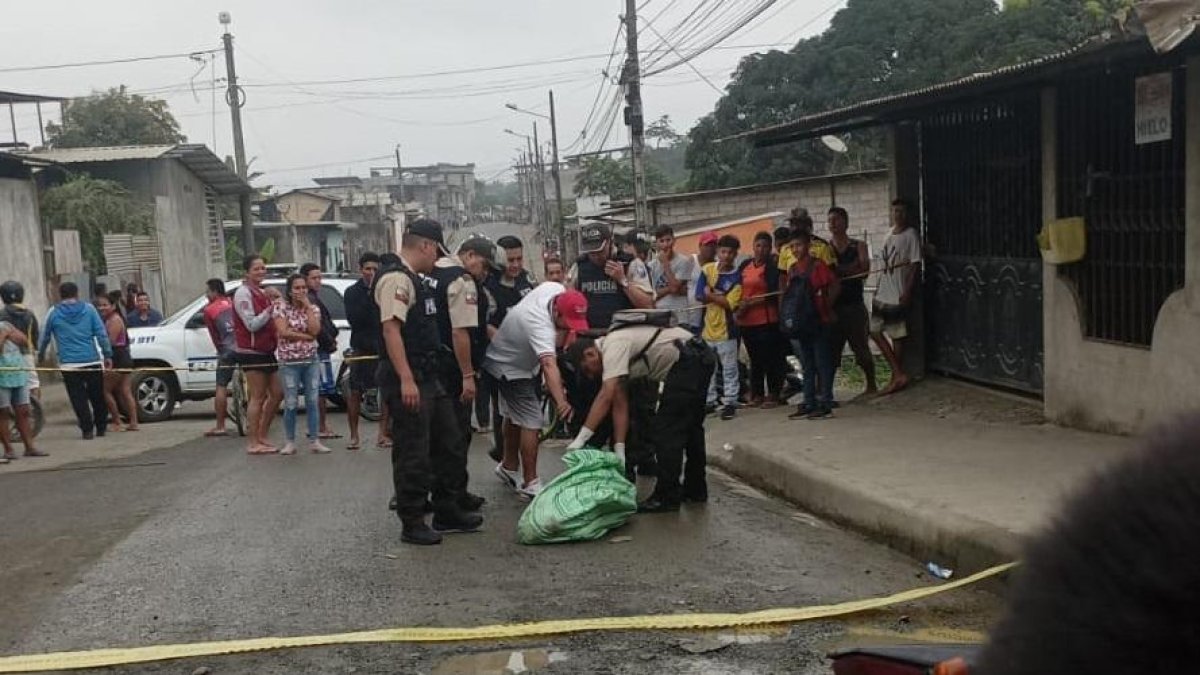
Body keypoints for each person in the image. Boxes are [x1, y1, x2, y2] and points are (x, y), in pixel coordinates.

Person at [375, 219, 481, 545]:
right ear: (426, 245)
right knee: (414, 452)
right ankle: (413, 520)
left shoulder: (413, 278)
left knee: (448, 442)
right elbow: (391, 329)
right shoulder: (396, 278)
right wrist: (406, 379)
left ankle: (448, 508)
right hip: (409, 379)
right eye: (435, 251)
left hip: (429, 375)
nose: (435, 259)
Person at [566, 323, 715, 513]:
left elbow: (605, 396)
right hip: (700, 356)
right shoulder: (613, 352)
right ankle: (695, 490)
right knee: (692, 428)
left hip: (687, 362)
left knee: (667, 432)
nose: (590, 374)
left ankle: (667, 497)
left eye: (587, 369)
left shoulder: (613, 347)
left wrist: (580, 440)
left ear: (590, 354)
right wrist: (620, 448)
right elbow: (619, 405)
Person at [484, 282, 579, 499]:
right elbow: (548, 364)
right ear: (556, 311)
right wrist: (561, 401)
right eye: (565, 322)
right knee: (532, 420)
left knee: (513, 414)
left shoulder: (555, 290)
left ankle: (508, 466)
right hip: (512, 366)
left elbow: (560, 337)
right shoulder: (539, 324)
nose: (566, 328)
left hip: (508, 357)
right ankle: (530, 481)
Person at [429, 236, 497, 513]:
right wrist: (468, 374)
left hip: (435, 364)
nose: (485, 272)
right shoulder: (461, 280)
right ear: (470, 255)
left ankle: (453, 491)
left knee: (443, 435)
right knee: (455, 436)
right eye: (484, 264)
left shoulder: (433, 274)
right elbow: (461, 331)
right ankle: (451, 499)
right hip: (453, 367)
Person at [38, 282, 113, 439]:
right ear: (77, 293)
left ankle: (87, 430)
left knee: (77, 398)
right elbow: (101, 334)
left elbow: (44, 336)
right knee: (97, 395)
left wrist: (40, 356)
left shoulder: (53, 312)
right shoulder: (89, 309)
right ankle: (101, 427)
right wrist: (107, 355)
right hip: (91, 359)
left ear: (60, 295)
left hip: (69, 364)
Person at [781, 232, 840, 420]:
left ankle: (825, 402)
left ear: (808, 246)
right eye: (792, 246)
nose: (795, 249)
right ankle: (809, 401)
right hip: (801, 322)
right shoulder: (792, 269)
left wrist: (825, 306)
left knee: (822, 362)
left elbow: (835, 285)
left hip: (819, 320)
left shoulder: (817, 266)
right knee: (807, 364)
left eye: (798, 245)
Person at [232, 254, 284, 455]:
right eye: (256, 269)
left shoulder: (260, 292)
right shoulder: (242, 294)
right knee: (257, 397)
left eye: (263, 268)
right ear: (247, 272)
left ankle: (262, 434)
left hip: (266, 350)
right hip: (251, 352)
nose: (261, 272)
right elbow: (251, 324)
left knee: (277, 393)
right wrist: (271, 309)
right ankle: (253, 442)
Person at [273, 273, 329, 455]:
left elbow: (315, 330)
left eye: (304, 287)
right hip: (289, 362)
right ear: (289, 291)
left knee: (312, 400)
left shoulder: (313, 309)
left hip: (310, 360)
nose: (301, 291)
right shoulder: (280, 307)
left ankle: (314, 439)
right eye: (297, 288)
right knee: (290, 402)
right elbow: (283, 332)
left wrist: (307, 308)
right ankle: (290, 441)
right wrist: (305, 336)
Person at [872, 199, 922, 395]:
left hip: (897, 292)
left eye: (901, 211)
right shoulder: (887, 235)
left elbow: (915, 264)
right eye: (895, 211)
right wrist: (877, 287)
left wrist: (907, 290)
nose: (898, 214)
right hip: (883, 290)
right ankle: (897, 372)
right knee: (874, 330)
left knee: (896, 334)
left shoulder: (911, 235)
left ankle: (896, 376)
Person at [827, 207, 878, 397]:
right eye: (830, 220)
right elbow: (826, 273)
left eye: (837, 219)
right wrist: (850, 270)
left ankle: (872, 385)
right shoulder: (826, 248)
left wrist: (838, 271)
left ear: (846, 222)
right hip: (834, 306)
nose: (833, 223)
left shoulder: (858, 245)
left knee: (861, 349)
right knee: (831, 351)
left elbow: (864, 270)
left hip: (854, 305)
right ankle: (826, 391)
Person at [343, 252, 390, 450]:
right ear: (360, 269)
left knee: (386, 392)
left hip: (382, 346)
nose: (371, 273)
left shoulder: (385, 289)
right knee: (354, 392)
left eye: (375, 269)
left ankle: (383, 434)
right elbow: (357, 319)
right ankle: (354, 436)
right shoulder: (352, 292)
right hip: (361, 347)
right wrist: (371, 296)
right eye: (367, 269)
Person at [696, 234, 743, 421]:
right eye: (723, 251)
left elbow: (730, 304)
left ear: (735, 254)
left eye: (731, 253)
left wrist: (712, 295)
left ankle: (730, 402)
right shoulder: (707, 269)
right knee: (708, 368)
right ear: (718, 252)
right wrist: (719, 296)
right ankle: (710, 401)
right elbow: (700, 295)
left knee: (729, 368)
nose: (726, 256)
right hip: (708, 328)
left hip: (727, 330)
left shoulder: (737, 276)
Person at [736, 231, 786, 408]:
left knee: (770, 358)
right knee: (755, 359)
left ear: (770, 248)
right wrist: (739, 305)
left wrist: (755, 301)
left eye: (765, 246)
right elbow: (737, 287)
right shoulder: (744, 266)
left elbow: (775, 292)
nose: (761, 250)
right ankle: (757, 394)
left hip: (767, 319)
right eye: (758, 245)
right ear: (753, 246)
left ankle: (773, 394)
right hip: (746, 321)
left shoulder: (772, 267)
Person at [299, 263, 340, 441]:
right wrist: (329, 342)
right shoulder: (309, 300)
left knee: (318, 389)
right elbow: (319, 327)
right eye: (314, 278)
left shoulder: (314, 297)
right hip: (319, 349)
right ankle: (319, 427)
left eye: (319, 277)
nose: (318, 281)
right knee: (320, 390)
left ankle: (318, 426)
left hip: (321, 347)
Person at [0, 313, 42, 462]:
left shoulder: (6, 324)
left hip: (19, 373)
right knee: (3, 413)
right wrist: (5, 335)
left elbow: (24, 341)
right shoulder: (5, 329)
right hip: (2, 377)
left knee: (23, 411)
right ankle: (8, 450)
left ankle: (30, 447)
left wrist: (8, 333)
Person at [96, 292, 139, 432]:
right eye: (99, 305)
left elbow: (111, 342)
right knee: (124, 391)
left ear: (113, 306)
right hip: (123, 357)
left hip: (118, 357)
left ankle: (117, 421)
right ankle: (133, 422)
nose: (102, 308)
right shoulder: (112, 319)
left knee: (105, 390)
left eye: (105, 305)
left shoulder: (114, 320)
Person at [202, 279, 237, 437]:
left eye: (208, 292)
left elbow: (215, 336)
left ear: (215, 292)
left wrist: (220, 351)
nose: (206, 295)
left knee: (221, 386)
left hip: (227, 350)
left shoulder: (209, 310)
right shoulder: (233, 303)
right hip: (244, 348)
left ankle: (220, 426)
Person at [648, 226, 699, 333]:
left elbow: (675, 288)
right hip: (660, 316)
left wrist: (666, 264)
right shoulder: (651, 265)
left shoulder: (684, 261)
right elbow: (652, 294)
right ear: (656, 243)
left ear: (674, 240)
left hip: (680, 317)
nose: (666, 244)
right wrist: (669, 289)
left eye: (668, 240)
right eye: (661, 241)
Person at [0, 281, 41, 401]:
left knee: (8, 385)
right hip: (27, 353)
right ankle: (36, 412)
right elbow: (35, 334)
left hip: (7, 357)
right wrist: (34, 348)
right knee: (33, 384)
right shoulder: (29, 314)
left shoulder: (1, 314)